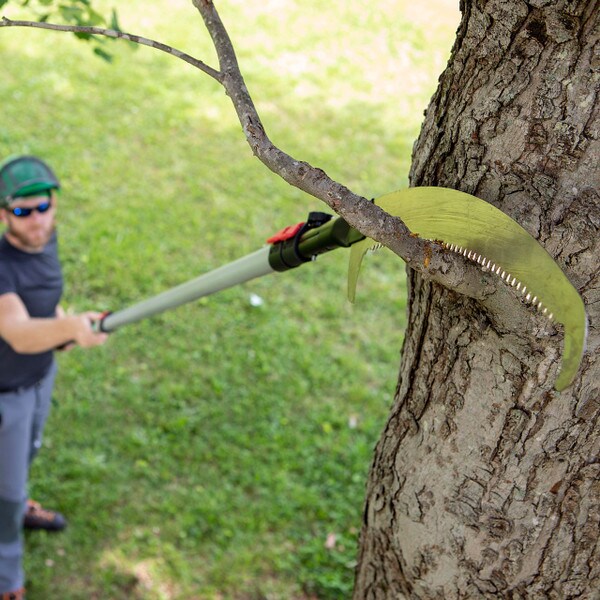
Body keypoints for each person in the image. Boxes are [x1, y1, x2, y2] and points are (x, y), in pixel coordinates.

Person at [0, 155, 108, 599]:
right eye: (23, 213)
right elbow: (18, 332)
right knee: (5, 491)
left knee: (23, 457)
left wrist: (61, 326)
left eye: (43, 207)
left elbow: (42, 310)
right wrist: (68, 328)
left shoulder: (45, 241)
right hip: (6, 394)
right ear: (4, 214)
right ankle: (7, 579)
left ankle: (16, 500)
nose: (36, 221)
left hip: (40, 376)